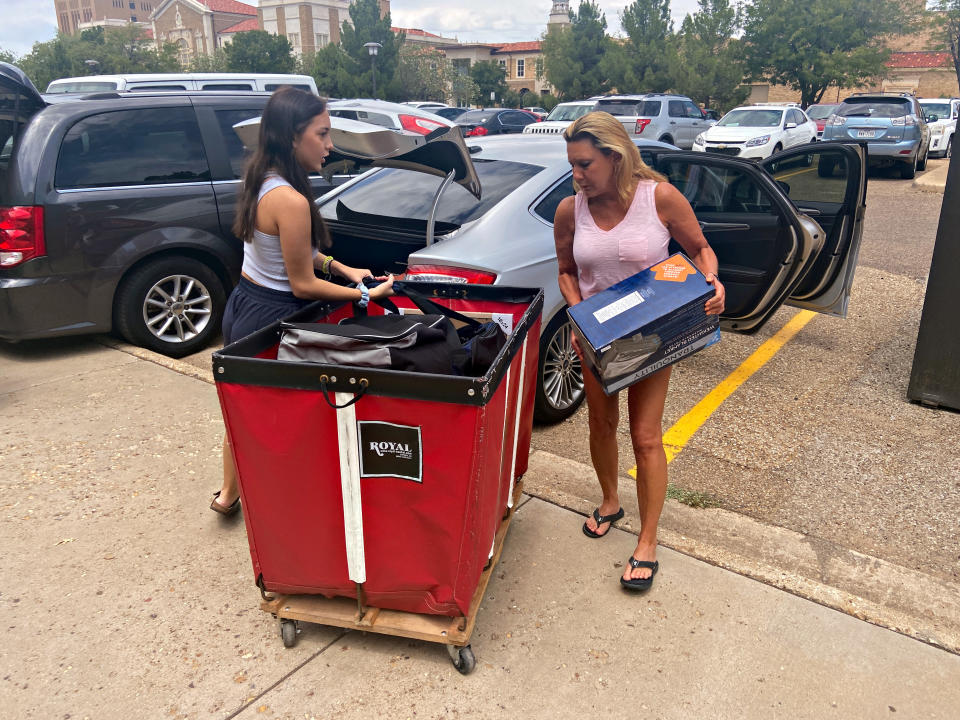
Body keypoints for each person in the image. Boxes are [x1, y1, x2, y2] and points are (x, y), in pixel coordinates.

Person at [553, 112, 725, 590]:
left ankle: (647, 540)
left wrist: (712, 281)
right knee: (600, 424)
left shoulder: (660, 198)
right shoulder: (570, 210)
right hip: (596, 338)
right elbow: (567, 271)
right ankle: (610, 500)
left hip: (652, 336)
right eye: (572, 165)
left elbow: (701, 249)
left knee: (646, 437)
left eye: (585, 164)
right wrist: (579, 314)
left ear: (615, 155)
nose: (577, 176)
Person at [211, 87, 394, 515]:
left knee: (243, 405)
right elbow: (302, 285)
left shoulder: (263, 180)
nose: (331, 146)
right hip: (274, 317)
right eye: (323, 134)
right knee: (284, 417)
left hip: (245, 304)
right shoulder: (291, 200)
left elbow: (294, 251)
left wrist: (342, 268)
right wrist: (365, 293)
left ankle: (229, 494)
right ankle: (291, 506)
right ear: (294, 137)